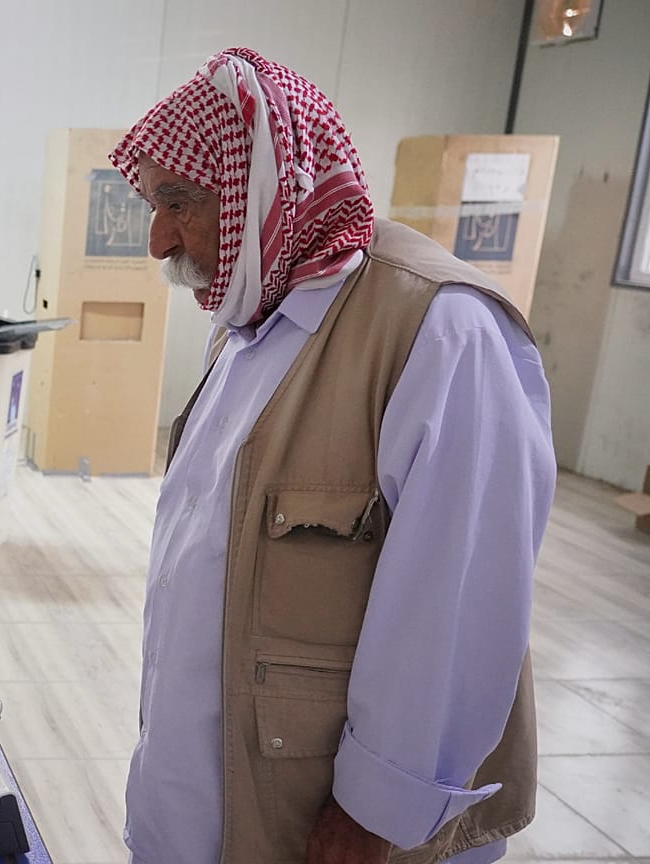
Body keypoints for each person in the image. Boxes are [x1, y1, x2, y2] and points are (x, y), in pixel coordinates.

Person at [109, 48, 553, 864]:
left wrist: (375, 813)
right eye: (151, 201)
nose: (157, 238)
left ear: (270, 183)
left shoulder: (436, 328)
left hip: (339, 833)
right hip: (213, 797)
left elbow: (458, 605)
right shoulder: (252, 325)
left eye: (179, 201)